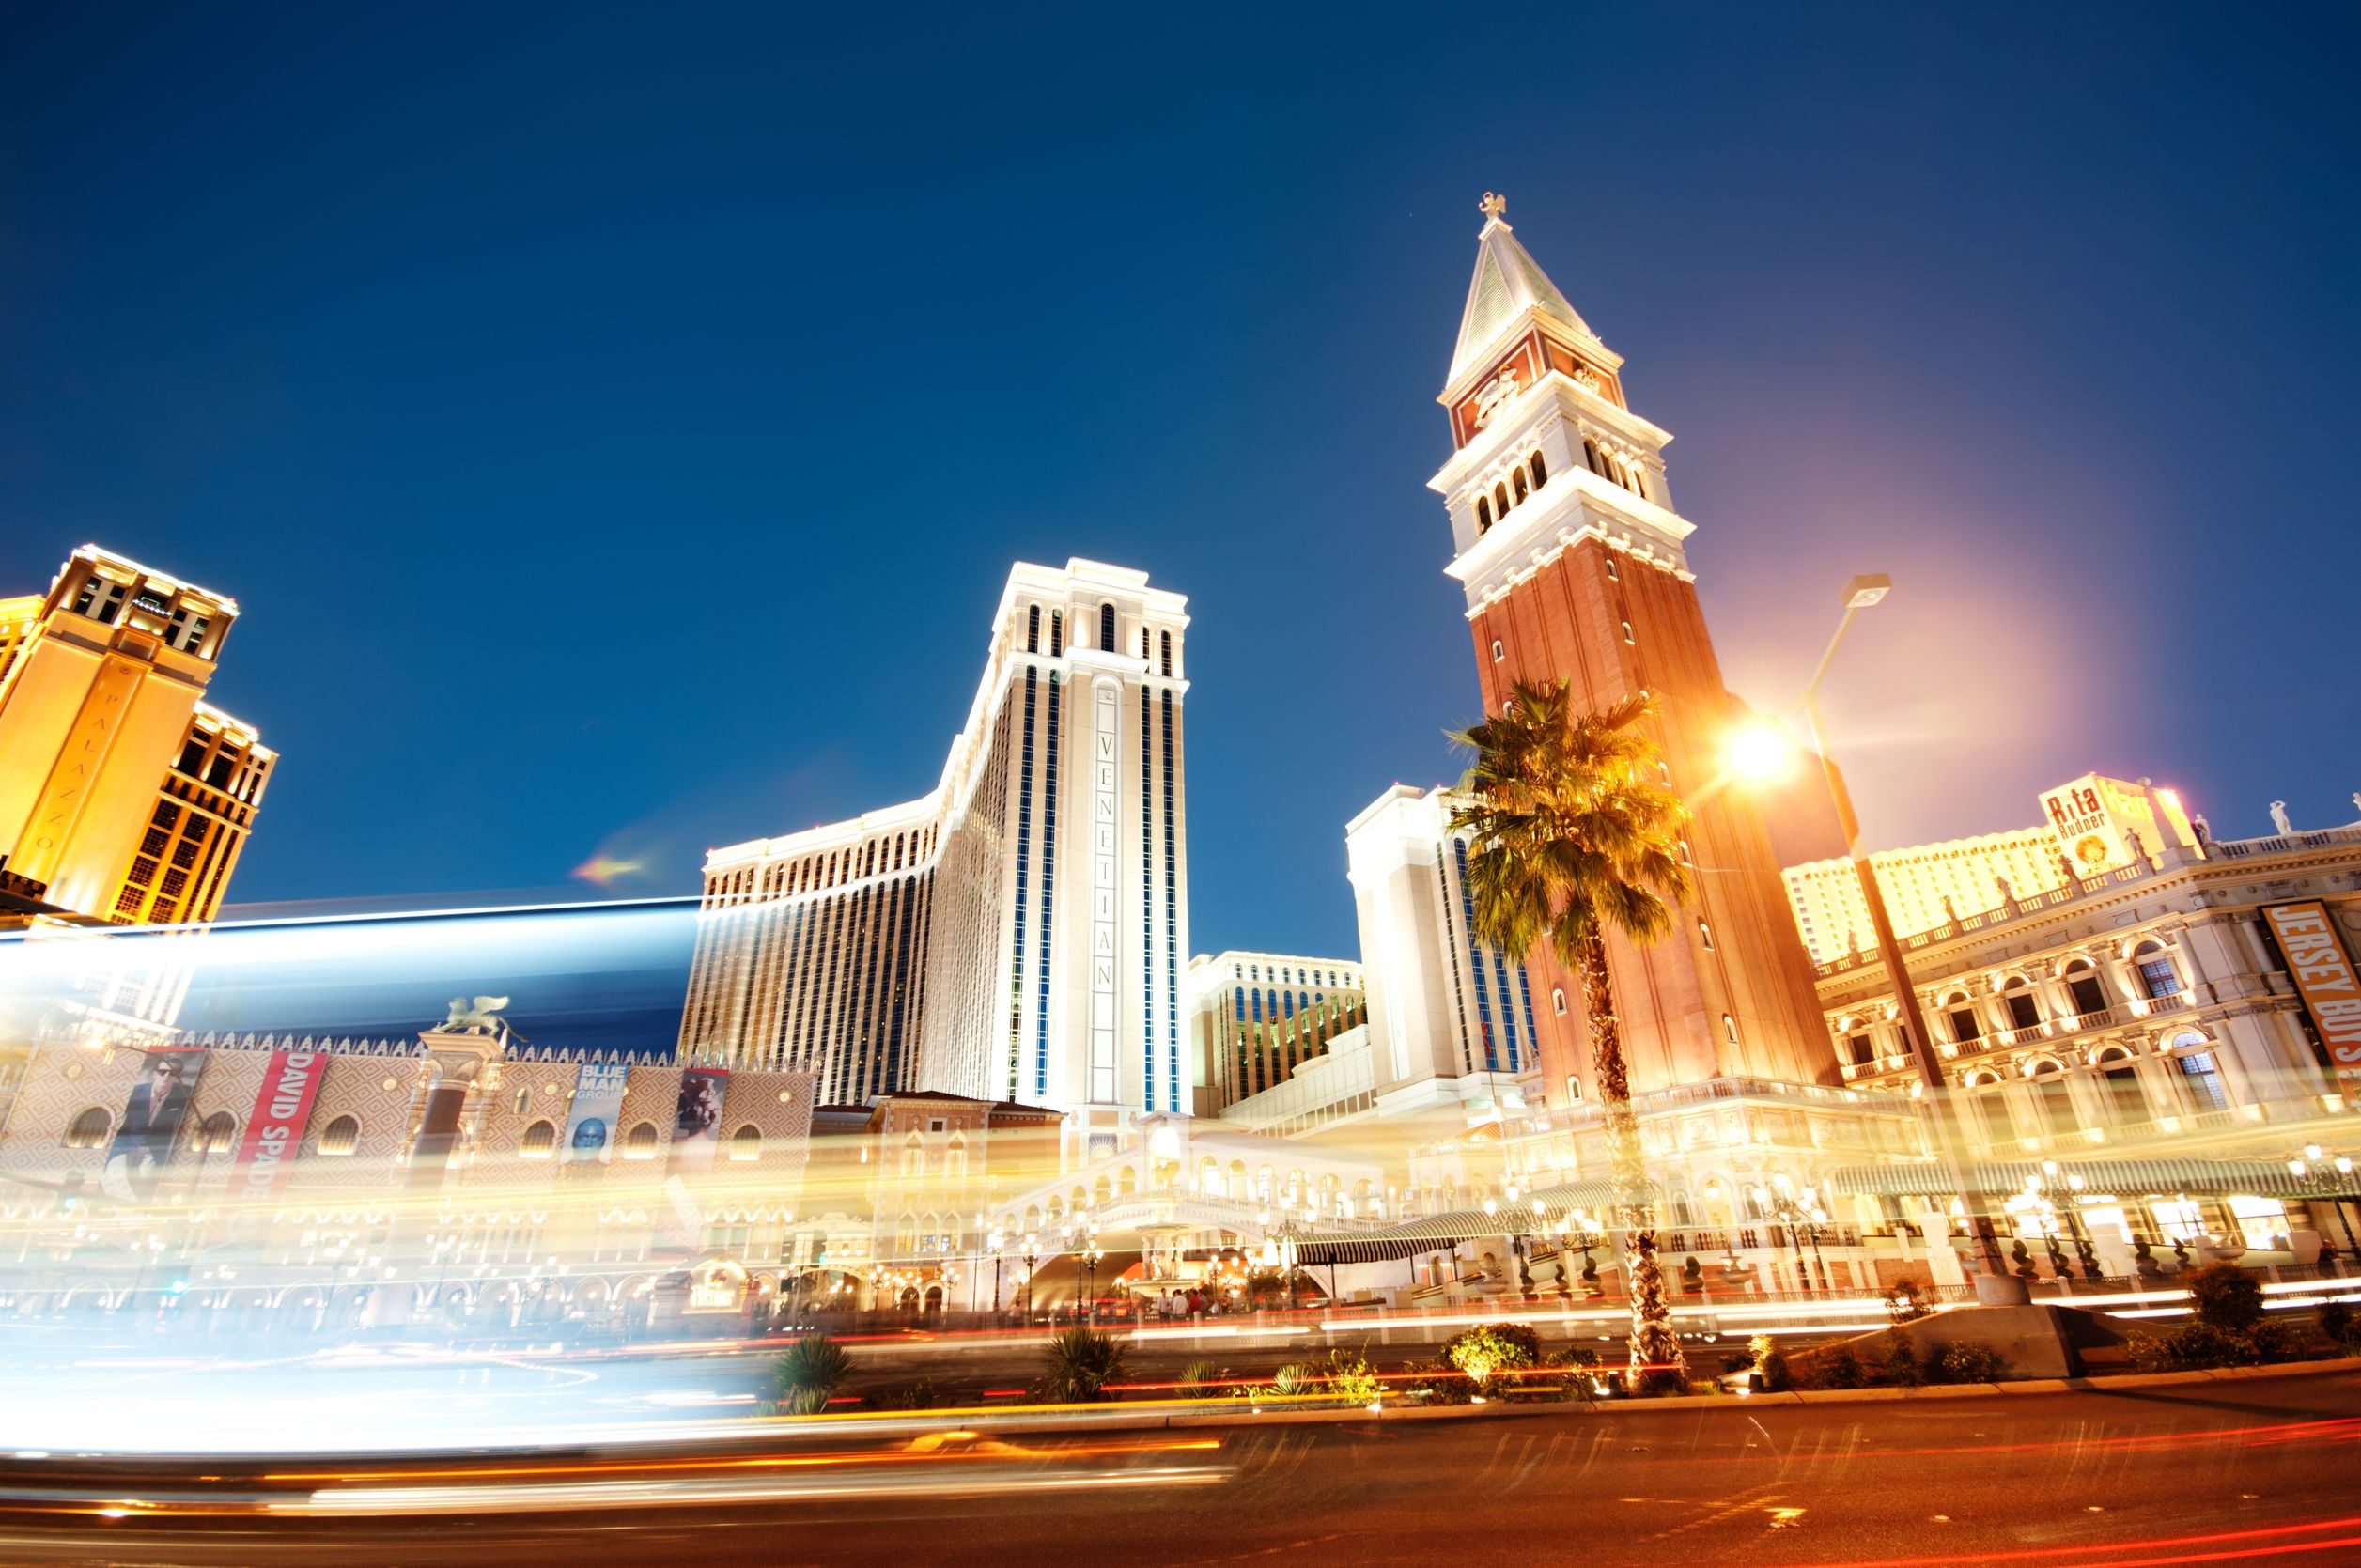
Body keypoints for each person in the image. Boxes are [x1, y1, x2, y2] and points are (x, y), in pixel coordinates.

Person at [102, 1051, 197, 1201]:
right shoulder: (136, 1093)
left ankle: (132, 1210)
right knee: (116, 1176)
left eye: (172, 1073)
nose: (166, 1076)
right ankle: (127, 1211)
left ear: (177, 1077)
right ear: (155, 1074)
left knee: (144, 1182)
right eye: (162, 1072)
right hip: (126, 1146)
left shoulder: (183, 1096)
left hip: (152, 1150)